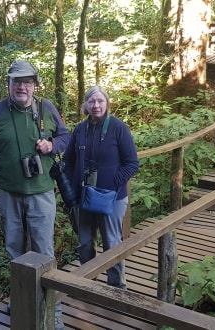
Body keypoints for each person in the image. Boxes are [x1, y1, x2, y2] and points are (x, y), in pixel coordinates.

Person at [0, 60, 69, 328]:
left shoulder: (46, 108)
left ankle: (51, 313)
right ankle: (22, 301)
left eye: (27, 81)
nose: (22, 86)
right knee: (15, 251)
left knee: (44, 252)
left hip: (41, 192)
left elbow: (67, 137)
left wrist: (51, 144)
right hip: (8, 194)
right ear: (8, 84)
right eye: (16, 81)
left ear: (35, 84)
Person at [64, 86, 139, 289]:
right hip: (84, 197)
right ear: (85, 105)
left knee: (111, 242)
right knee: (85, 242)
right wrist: (72, 188)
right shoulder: (80, 130)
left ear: (107, 103)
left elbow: (132, 163)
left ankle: (116, 285)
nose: (96, 105)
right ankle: (87, 281)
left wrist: (113, 184)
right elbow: (68, 161)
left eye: (100, 101)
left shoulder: (118, 128)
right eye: (91, 101)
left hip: (112, 198)